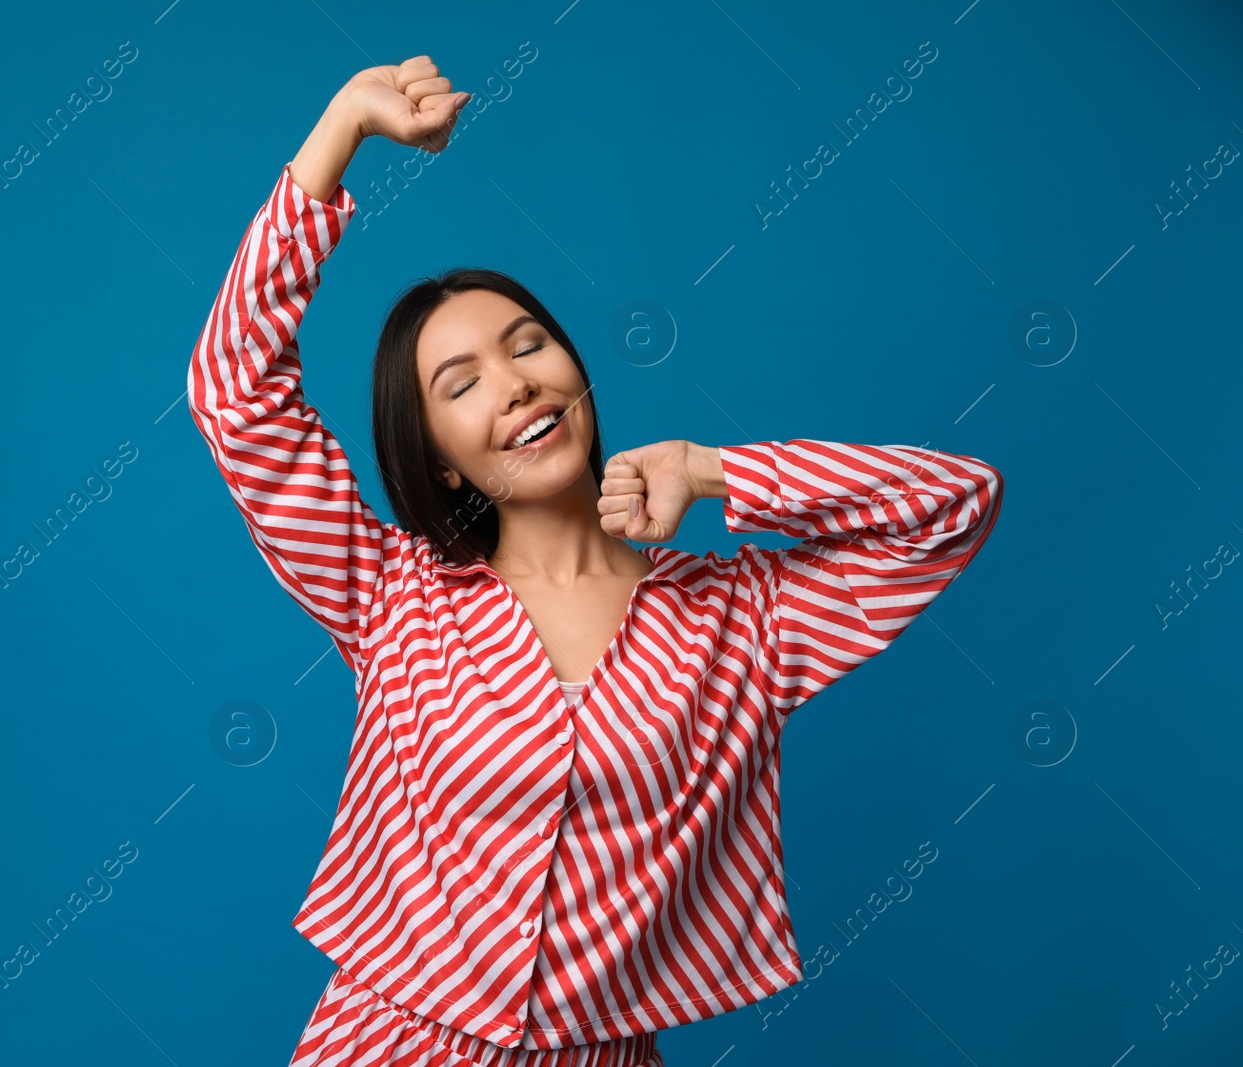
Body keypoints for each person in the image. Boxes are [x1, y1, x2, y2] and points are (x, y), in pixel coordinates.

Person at [187, 55, 1004, 1067]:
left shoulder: (743, 621)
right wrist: (342, 130)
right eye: (461, 382)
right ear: (436, 462)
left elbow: (949, 505)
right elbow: (232, 391)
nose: (516, 385)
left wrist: (715, 473)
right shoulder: (387, 592)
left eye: (528, 344)